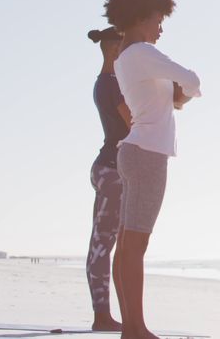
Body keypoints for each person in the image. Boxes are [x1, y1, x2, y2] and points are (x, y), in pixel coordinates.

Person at [106, 0, 202, 339]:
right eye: (158, 19)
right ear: (141, 16)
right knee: (136, 243)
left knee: (127, 243)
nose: (161, 27)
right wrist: (185, 93)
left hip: (133, 150)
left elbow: (170, 93)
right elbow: (192, 79)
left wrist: (177, 95)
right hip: (147, 153)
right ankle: (137, 329)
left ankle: (131, 327)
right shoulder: (144, 53)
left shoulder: (125, 57)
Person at [85, 26, 131, 332]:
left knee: (106, 242)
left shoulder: (109, 82)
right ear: (114, 49)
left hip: (111, 168)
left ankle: (105, 314)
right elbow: (133, 121)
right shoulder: (110, 83)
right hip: (111, 170)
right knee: (103, 244)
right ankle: (102, 315)